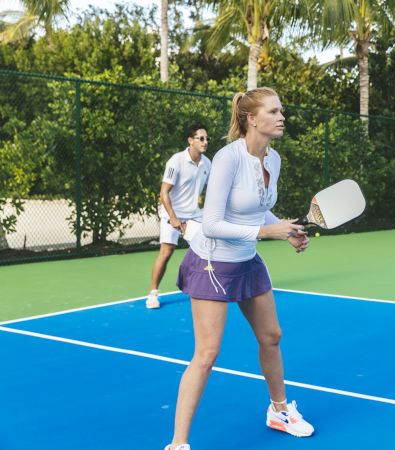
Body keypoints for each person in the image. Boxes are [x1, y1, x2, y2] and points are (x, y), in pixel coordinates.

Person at [164, 88, 314, 450]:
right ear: (252, 119)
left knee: (271, 336)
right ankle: (178, 443)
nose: (282, 117)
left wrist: (286, 231)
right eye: (274, 111)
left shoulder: (272, 160)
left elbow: (258, 207)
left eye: (282, 110)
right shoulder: (227, 159)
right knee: (207, 354)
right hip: (213, 263)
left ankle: (279, 411)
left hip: (247, 261)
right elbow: (212, 223)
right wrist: (268, 232)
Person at [146, 124, 211, 309]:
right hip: (171, 211)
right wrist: (173, 218)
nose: (205, 142)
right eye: (201, 138)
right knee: (166, 252)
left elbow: (214, 191)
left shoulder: (207, 163)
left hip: (195, 214)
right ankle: (152, 294)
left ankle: (204, 288)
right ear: (190, 141)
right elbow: (164, 192)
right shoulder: (176, 161)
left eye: (207, 139)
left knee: (207, 251)